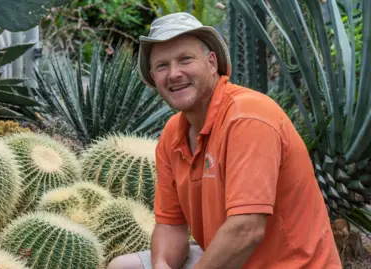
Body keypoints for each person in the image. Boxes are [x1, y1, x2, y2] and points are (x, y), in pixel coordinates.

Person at [106, 12, 342, 269]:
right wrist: (162, 264)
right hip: (231, 262)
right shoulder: (173, 134)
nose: (174, 74)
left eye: (185, 59)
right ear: (153, 76)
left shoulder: (248, 117)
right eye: (162, 66)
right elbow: (171, 225)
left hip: (287, 265)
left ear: (211, 62)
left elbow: (246, 230)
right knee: (124, 266)